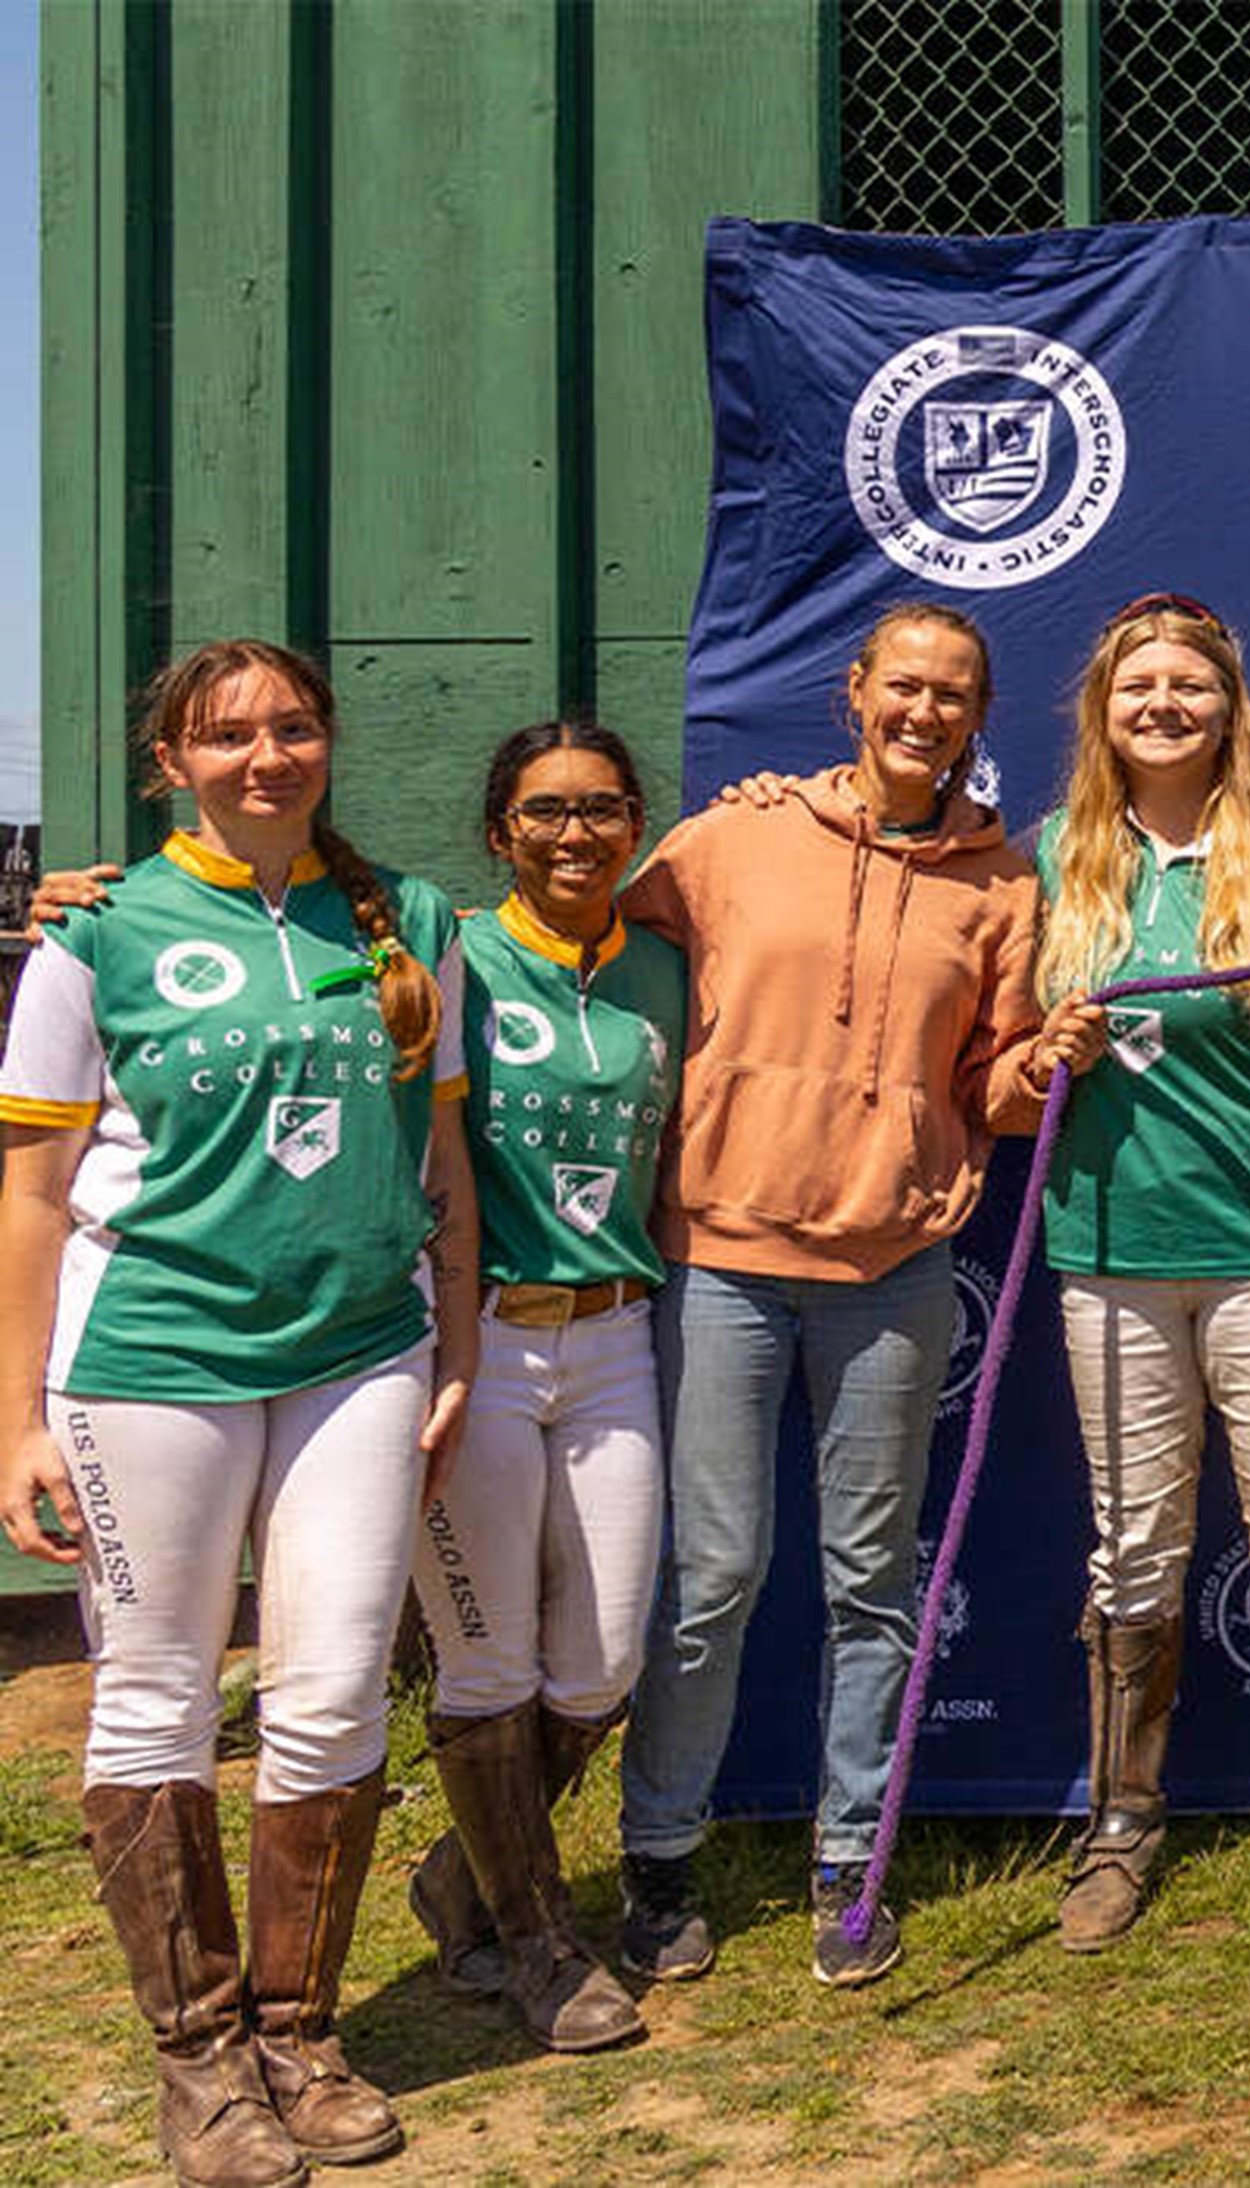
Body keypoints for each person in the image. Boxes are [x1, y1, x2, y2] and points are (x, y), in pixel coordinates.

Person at [0, 640, 473, 2186]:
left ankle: (299, 2034)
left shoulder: (413, 920)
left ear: (328, 742)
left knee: (333, 1696)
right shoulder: (99, 932)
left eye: (293, 728)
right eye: (227, 737)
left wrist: (451, 1342)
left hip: (358, 1354)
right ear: (173, 763)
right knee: (157, 1701)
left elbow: (446, 1172)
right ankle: (197, 2063)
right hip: (147, 1362)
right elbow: (32, 1193)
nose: (266, 757)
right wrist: (15, 1416)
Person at [615, 600, 1086, 1989]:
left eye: (953, 694)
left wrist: (1045, 1059)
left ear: (975, 720)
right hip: (720, 1259)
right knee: (712, 1578)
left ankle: (847, 1863)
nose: (924, 711)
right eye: (904, 685)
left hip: (892, 1272)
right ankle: (659, 1861)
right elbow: (574, 940)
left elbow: (990, 1096)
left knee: (873, 1584)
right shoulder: (728, 838)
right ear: (855, 694)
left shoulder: (1002, 884)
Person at [1032, 593, 1250, 1952]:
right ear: (1102, 711)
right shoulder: (1054, 859)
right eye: (1139, 687)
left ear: (1228, 708)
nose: (1163, 705)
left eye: (1189, 685)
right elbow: (1006, 1079)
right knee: (1131, 1548)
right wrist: (1037, 1055)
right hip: (1108, 1257)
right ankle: (1121, 1834)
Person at [401, 723, 681, 2053]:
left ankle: (460, 1878)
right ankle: (538, 1946)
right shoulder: (444, 953)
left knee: (601, 1662)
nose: (577, 834)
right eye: (546, 812)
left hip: (617, 1333)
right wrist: (73, 896)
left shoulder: (667, 970)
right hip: (482, 1334)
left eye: (604, 809)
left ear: (636, 823)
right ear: (501, 829)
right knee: (487, 1659)